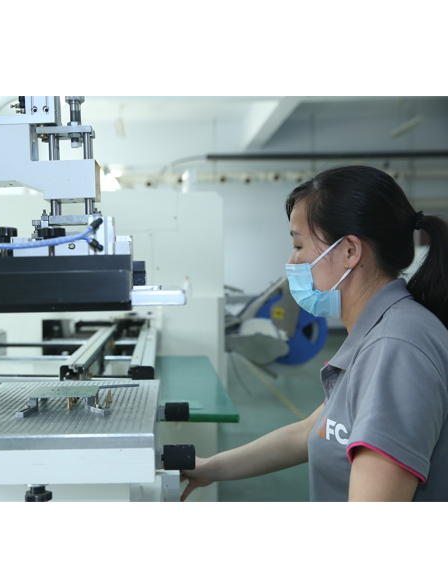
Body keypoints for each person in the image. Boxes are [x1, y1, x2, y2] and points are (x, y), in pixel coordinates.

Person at [181, 164, 448, 502]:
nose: (292, 261)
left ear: (350, 251)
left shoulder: (395, 349)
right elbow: (312, 430)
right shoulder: (379, 331)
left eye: (298, 244)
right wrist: (209, 469)